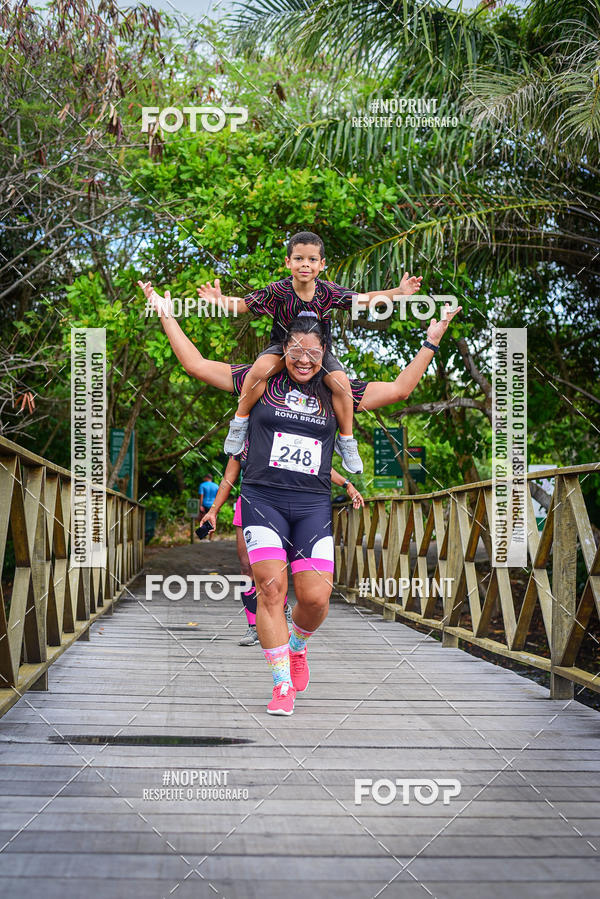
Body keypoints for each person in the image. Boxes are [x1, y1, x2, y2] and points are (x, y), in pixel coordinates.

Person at [138, 278, 460, 715]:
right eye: (296, 351)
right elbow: (195, 364)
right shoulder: (259, 382)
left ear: (324, 354)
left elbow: (400, 389)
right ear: (283, 349)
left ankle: (298, 645)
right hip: (261, 500)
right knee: (271, 589)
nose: (304, 359)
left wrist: (431, 340)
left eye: (313, 353)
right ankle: (280, 685)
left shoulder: (336, 391)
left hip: (311, 506)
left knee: (315, 598)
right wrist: (163, 309)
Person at [197, 231, 422, 475]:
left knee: (341, 382)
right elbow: (243, 305)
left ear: (322, 265)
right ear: (288, 263)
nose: (305, 264)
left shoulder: (328, 292)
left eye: (312, 259)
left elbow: (364, 300)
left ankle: (346, 440)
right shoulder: (278, 291)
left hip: (318, 353)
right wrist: (220, 300)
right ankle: (239, 422)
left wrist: (398, 292)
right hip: (283, 349)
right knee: (259, 369)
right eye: (299, 259)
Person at [199, 454, 365, 645]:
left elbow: (318, 464)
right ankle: (253, 626)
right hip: (249, 503)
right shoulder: (244, 439)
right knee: (246, 568)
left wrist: (347, 484)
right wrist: (213, 511)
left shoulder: (288, 428)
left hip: (283, 506)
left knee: (275, 569)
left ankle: (280, 608)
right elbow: (229, 477)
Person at [198, 474, 218, 540]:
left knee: (203, 521)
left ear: (206, 478)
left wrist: (201, 505)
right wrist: (218, 507)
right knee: (212, 521)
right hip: (214, 506)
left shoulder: (202, 485)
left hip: (205, 505)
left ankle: (203, 537)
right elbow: (217, 497)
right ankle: (210, 538)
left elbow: (201, 496)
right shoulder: (216, 486)